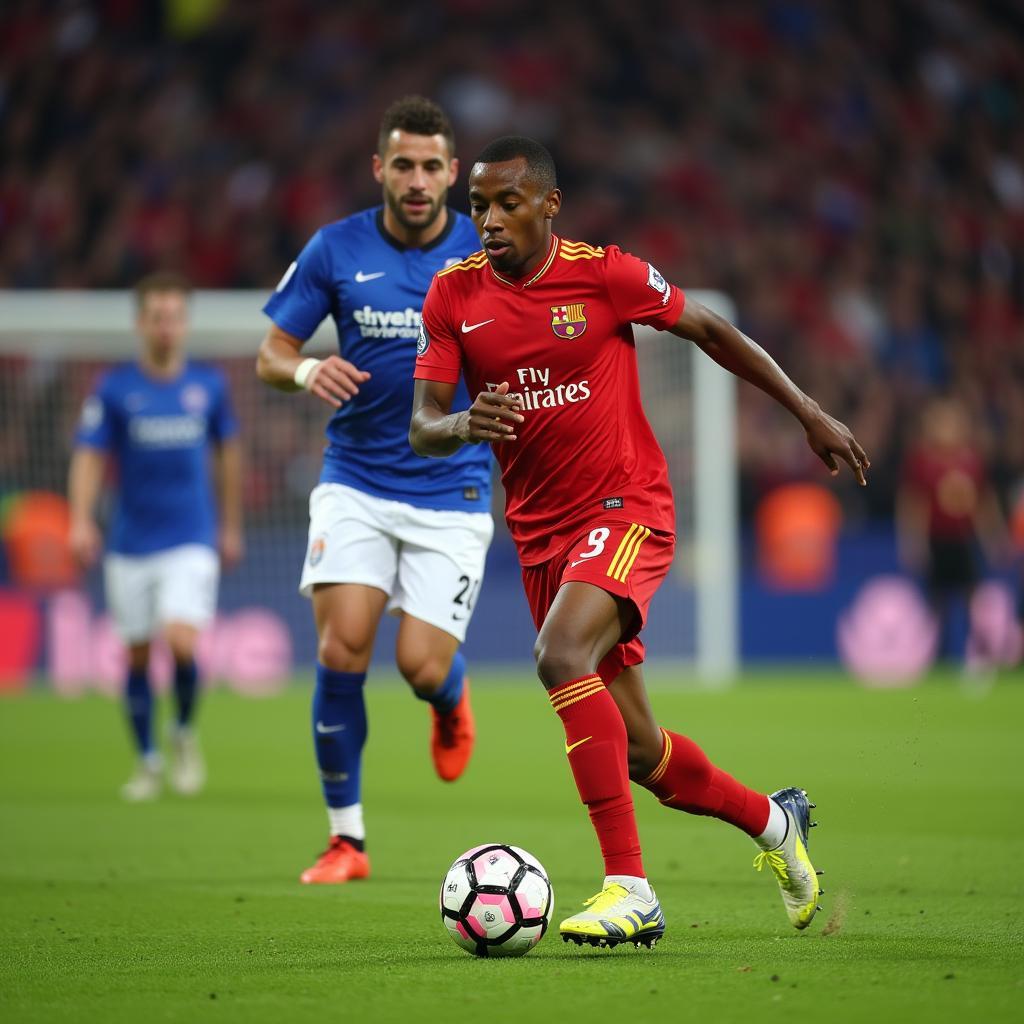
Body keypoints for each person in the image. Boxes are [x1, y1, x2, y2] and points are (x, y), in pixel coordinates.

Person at [411, 136, 869, 948]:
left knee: (558, 658)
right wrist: (460, 422)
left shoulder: (605, 273)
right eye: (477, 205)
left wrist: (807, 411)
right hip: (540, 535)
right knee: (638, 752)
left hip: (629, 510)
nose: (487, 220)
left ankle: (631, 888)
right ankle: (775, 825)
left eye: (506, 203)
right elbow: (422, 425)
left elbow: (713, 331)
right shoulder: (452, 297)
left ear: (549, 205)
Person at [256, 96, 492, 885]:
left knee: (420, 666)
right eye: (404, 165)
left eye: (432, 166)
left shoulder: (486, 254)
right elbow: (271, 352)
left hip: (451, 485)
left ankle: (450, 699)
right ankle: (346, 841)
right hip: (354, 478)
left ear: (453, 172)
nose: (417, 180)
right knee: (340, 646)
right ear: (379, 169)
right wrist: (303, 369)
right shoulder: (335, 248)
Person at [69, 272, 243, 801]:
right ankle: (147, 759)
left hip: (191, 535)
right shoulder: (115, 388)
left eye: (174, 316)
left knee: (183, 641)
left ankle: (183, 731)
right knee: (138, 655)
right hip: (129, 541)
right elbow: (89, 455)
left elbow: (228, 454)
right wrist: (79, 519)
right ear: (141, 322)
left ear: (185, 322)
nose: (166, 326)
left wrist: (230, 525)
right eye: (157, 316)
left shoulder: (209, 385)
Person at [897, 396, 1006, 665]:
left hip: (964, 540)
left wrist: (994, 538)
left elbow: (983, 503)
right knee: (936, 601)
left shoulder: (971, 461)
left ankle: (981, 653)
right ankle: (936, 656)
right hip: (937, 540)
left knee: (972, 597)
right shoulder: (922, 461)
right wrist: (913, 540)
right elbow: (914, 504)